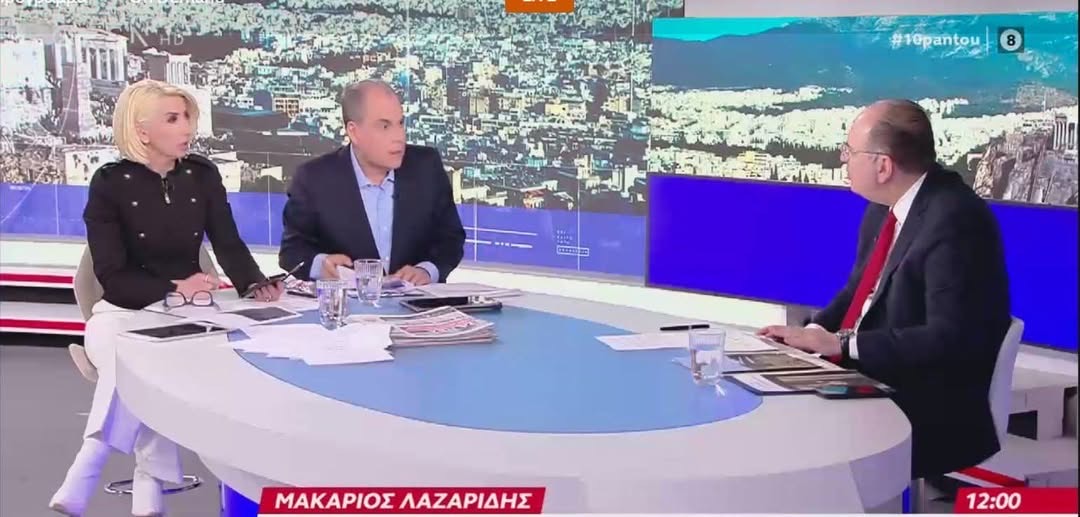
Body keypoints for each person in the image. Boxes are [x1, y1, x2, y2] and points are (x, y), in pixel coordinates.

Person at [49, 79, 284, 516]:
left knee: (156, 368)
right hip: (120, 313)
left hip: (182, 313)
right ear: (141, 130)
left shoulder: (201, 174)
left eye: (188, 117)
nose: (187, 128)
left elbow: (228, 243)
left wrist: (255, 283)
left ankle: (106, 469)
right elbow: (112, 277)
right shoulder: (109, 183)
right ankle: (136, 480)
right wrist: (175, 286)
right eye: (173, 119)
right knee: (136, 364)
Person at [759, 99, 1011, 480]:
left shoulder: (955, 220)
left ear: (883, 166)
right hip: (865, 374)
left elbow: (948, 339)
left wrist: (842, 345)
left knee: (789, 437)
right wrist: (810, 334)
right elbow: (857, 291)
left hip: (925, 401)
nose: (843, 159)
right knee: (763, 398)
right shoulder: (884, 206)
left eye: (849, 151)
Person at [278, 79, 465, 284]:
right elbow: (291, 251)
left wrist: (427, 271)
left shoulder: (426, 167)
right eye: (384, 126)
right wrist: (321, 265)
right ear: (354, 132)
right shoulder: (314, 178)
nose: (399, 137)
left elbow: (450, 238)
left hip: (416, 301)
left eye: (400, 123)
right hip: (349, 302)